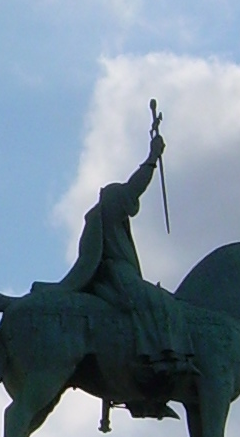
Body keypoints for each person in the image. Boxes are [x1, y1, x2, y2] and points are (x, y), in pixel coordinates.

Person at [53, 128, 188, 368]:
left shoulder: (107, 219)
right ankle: (161, 354)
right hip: (119, 273)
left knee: (154, 299)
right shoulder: (108, 210)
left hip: (119, 274)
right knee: (156, 300)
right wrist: (152, 158)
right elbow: (134, 187)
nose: (129, 205)